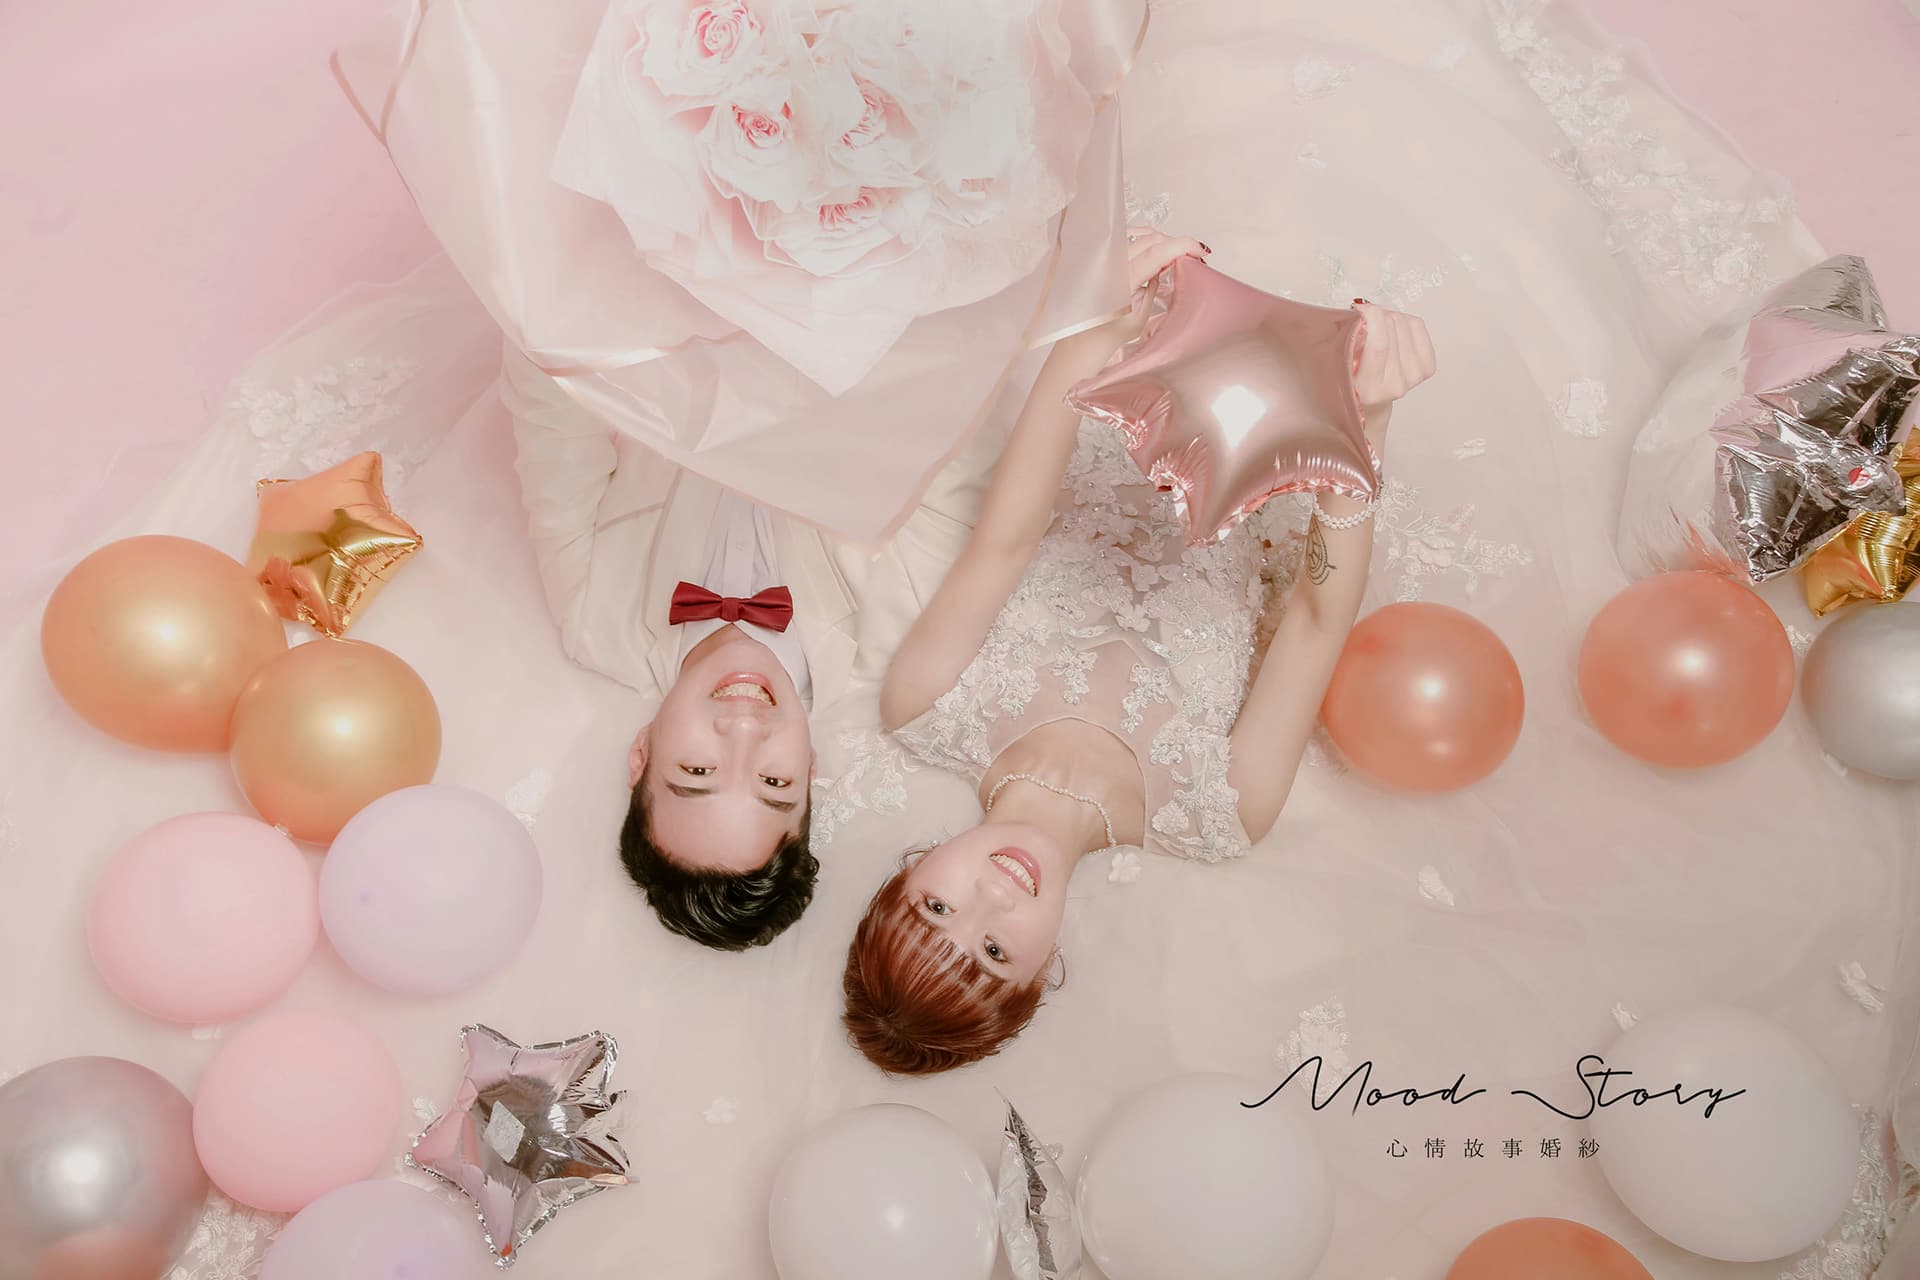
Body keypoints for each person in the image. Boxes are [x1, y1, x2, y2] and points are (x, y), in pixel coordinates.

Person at [842, 228, 1436, 1072]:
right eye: (997, 953)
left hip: (1130, 381)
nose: (992, 900)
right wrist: (1361, 424)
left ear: (907, 876)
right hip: (1290, 433)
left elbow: (1007, 537)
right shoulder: (1219, 815)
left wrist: (1096, 330)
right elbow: (1314, 622)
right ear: (1044, 971)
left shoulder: (927, 706)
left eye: (937, 910)